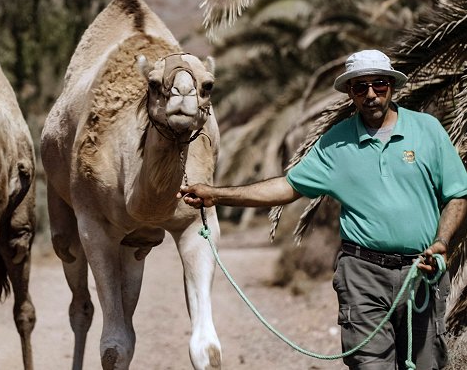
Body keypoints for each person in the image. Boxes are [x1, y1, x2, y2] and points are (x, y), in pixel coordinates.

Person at [178, 49, 467, 369]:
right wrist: (217, 195)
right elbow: (288, 187)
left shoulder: (428, 131)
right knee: (369, 364)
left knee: (427, 364)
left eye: (379, 84)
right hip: (363, 274)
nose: (371, 94)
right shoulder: (335, 143)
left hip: (422, 272)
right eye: (361, 87)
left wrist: (441, 244)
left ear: (391, 87)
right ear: (351, 94)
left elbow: (457, 194)